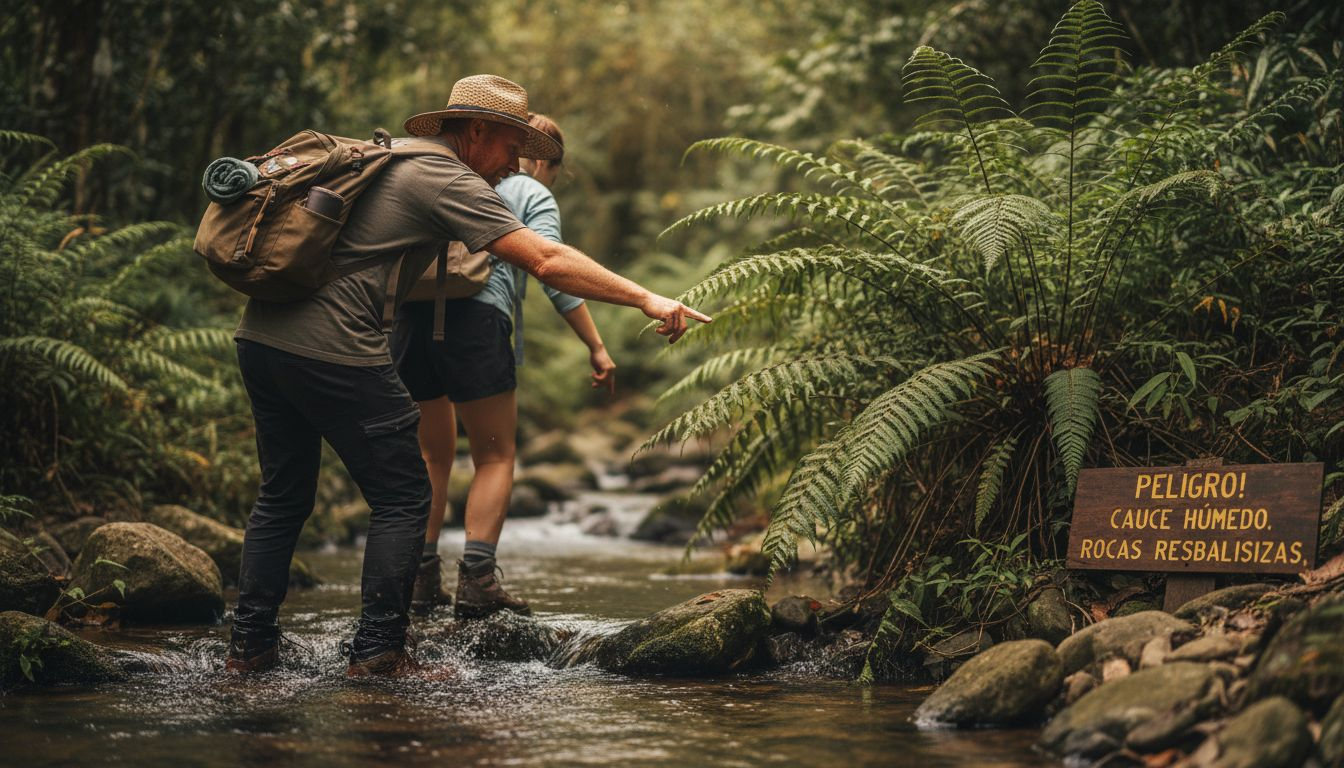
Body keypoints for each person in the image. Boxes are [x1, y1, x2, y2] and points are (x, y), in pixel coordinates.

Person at [225, 74, 708, 677]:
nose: (514, 164)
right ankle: (379, 654)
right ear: (477, 131)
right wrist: (645, 298)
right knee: (404, 497)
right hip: (336, 347)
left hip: (263, 338)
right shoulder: (443, 175)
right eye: (511, 145)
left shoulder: (389, 158)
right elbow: (546, 259)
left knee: (282, 497)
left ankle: (248, 651)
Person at [394, 113, 612, 618]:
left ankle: (421, 578)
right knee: (494, 456)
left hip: (411, 320)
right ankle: (478, 580)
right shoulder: (531, 193)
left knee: (432, 455)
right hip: (475, 321)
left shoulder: (441, 174)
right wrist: (596, 346)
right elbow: (555, 274)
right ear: (544, 162)